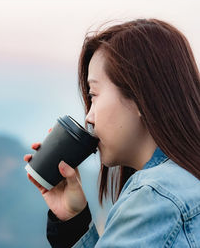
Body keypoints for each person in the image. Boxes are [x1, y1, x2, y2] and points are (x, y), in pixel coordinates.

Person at [23, 18, 200, 247]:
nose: (89, 116)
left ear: (139, 97)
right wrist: (73, 223)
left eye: (94, 94)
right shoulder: (186, 180)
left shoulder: (156, 195)